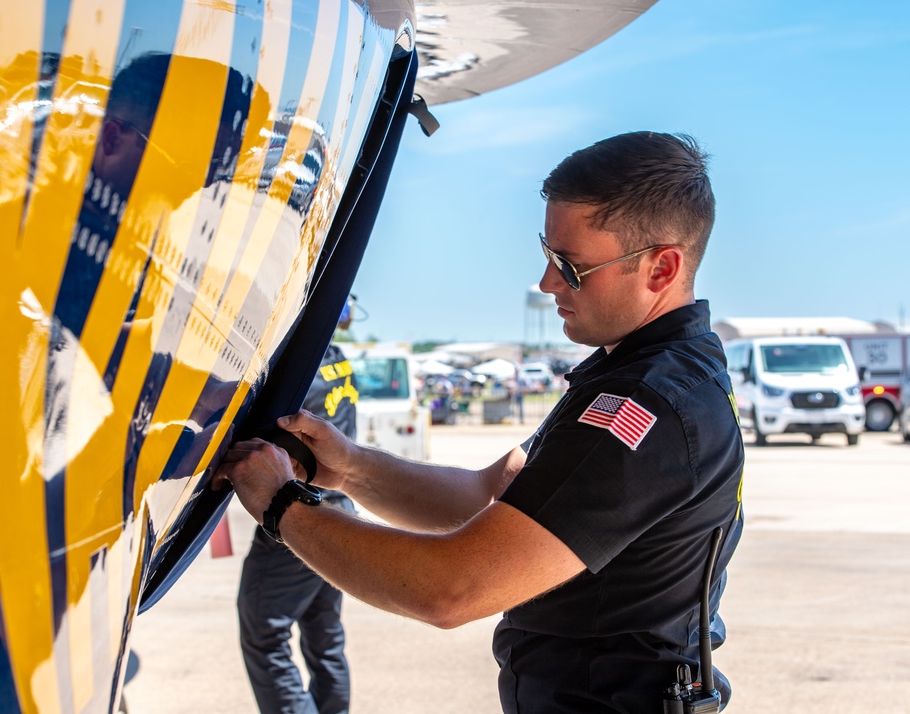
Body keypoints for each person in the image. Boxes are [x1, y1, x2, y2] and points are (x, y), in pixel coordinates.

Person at [216, 132, 745, 713]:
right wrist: (350, 470)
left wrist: (280, 505)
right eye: (547, 253)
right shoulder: (638, 376)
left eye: (571, 266)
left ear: (662, 267)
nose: (547, 283)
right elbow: (489, 493)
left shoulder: (647, 406)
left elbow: (451, 589)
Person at [237, 299, 359, 714]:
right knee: (325, 636)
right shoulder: (337, 358)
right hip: (342, 508)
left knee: (265, 637)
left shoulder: (294, 367)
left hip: (298, 509)